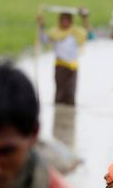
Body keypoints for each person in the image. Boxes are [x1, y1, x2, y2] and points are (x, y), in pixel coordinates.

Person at [37, 9, 90, 149]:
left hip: (72, 68)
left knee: (70, 94)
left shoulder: (76, 32)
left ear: (71, 21)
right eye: (62, 20)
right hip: (60, 67)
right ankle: (58, 127)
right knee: (59, 94)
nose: (64, 22)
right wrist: (41, 26)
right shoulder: (55, 32)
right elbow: (43, 40)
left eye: (67, 20)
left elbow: (88, 35)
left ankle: (67, 125)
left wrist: (85, 18)